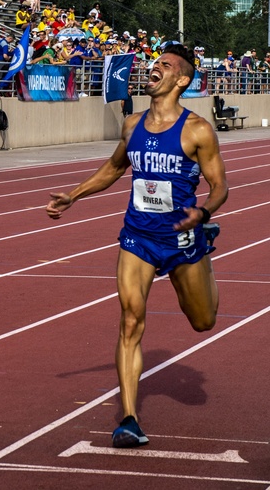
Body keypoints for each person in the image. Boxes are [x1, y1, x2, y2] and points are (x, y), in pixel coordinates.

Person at [46, 43, 228, 449]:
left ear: (181, 80)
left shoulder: (197, 130)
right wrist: (73, 195)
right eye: (154, 63)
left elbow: (219, 187)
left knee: (203, 321)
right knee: (130, 320)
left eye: (165, 65)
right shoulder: (132, 125)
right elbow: (114, 167)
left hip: (182, 237)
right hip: (138, 236)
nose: (154, 67)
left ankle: (206, 248)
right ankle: (128, 418)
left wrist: (202, 214)